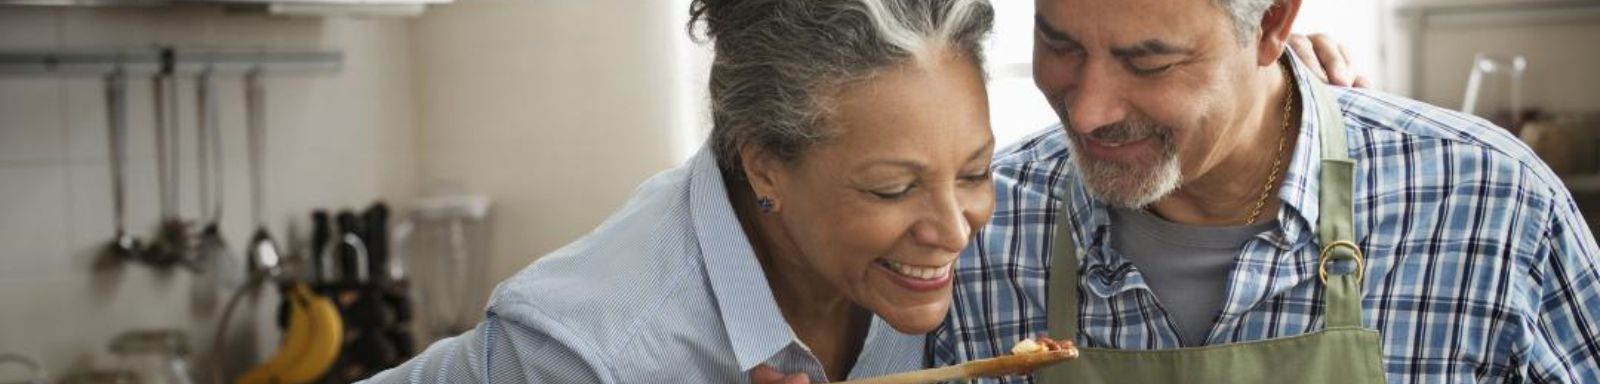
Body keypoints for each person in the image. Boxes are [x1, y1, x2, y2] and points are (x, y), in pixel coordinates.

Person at [361, 0, 1359, 382]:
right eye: (891, 188)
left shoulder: (944, 248)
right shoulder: (593, 352)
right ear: (763, 165)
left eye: (973, 169)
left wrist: (1254, 84)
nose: (955, 228)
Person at [933, 0, 1600, 382]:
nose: (1088, 113)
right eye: (1061, 44)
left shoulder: (1491, 205)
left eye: (1149, 61)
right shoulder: (974, 228)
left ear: (1272, 24)